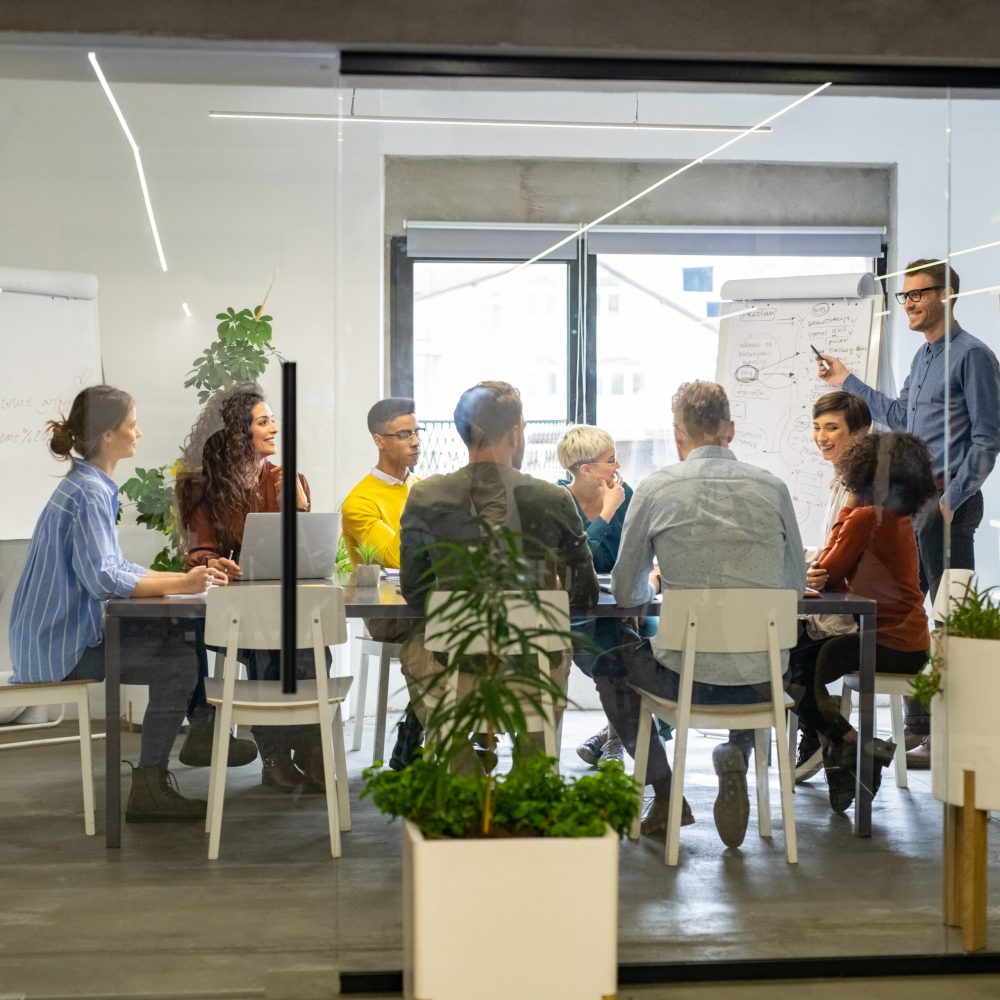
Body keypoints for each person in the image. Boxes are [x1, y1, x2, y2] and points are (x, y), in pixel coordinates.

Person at [8, 385, 229, 823]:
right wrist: (183, 582)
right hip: (61, 649)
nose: (139, 433)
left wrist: (188, 580)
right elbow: (104, 578)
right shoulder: (88, 493)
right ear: (107, 435)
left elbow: (116, 566)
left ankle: (167, 766)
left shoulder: (86, 485)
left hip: (52, 641)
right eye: (132, 425)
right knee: (180, 664)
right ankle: (151, 784)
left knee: (177, 651)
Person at [604, 381, 807, 849]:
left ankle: (665, 789)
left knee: (609, 665)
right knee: (750, 655)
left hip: (684, 681)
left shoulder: (655, 489)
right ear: (729, 431)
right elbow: (794, 586)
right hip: (764, 681)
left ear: (679, 435)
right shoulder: (773, 489)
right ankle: (735, 748)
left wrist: (656, 583)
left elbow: (624, 590)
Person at [815, 260, 1000, 768]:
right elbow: (896, 417)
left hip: (944, 504)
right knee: (908, 617)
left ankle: (953, 734)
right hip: (909, 505)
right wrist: (847, 379)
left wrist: (947, 502)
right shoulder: (921, 361)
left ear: (949, 295)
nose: (911, 304)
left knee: (950, 620)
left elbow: (987, 439)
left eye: (919, 294)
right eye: (906, 297)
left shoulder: (974, 357)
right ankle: (920, 728)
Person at [399, 380, 599, 767]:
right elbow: (584, 593)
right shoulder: (552, 498)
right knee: (554, 646)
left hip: (449, 664)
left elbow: (415, 589)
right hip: (532, 665)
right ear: (515, 433)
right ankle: (532, 768)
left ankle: (460, 764)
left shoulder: (426, 496)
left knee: (417, 647)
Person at [176, 383, 323, 793]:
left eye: (273, 419)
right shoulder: (201, 487)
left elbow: (305, 549)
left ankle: (310, 749)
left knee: (311, 641)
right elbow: (198, 550)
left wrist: (298, 499)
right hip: (232, 610)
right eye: (263, 422)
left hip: (280, 605)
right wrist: (213, 561)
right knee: (269, 645)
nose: (274, 428)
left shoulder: (284, 480)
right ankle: (277, 755)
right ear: (239, 434)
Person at [799, 431, 938, 813]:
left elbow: (826, 570)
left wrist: (846, 506)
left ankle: (854, 748)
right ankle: (850, 758)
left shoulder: (863, 517)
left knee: (793, 670)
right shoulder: (898, 518)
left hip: (884, 642)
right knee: (801, 659)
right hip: (911, 644)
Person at [791, 391, 872, 784]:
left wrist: (814, 568)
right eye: (817, 428)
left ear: (859, 433)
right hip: (838, 605)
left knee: (784, 659)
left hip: (863, 618)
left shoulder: (862, 486)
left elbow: (837, 557)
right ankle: (833, 737)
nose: (822, 437)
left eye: (832, 428)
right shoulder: (840, 480)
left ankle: (839, 737)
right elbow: (829, 552)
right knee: (778, 647)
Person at [556, 424, 648, 767]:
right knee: (618, 653)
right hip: (576, 611)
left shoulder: (627, 495)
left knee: (645, 646)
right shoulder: (558, 500)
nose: (618, 468)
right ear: (586, 469)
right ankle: (614, 738)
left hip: (623, 605)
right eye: (611, 461)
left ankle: (611, 736)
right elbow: (579, 562)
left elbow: (640, 554)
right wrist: (607, 512)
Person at [340, 397, 423, 769]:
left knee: (468, 631)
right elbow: (395, 557)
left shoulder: (421, 487)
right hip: (388, 613)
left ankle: (415, 731)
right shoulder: (359, 501)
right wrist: (424, 505)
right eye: (404, 434)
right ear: (379, 440)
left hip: (426, 602)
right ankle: (422, 736)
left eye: (416, 432)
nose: (415, 441)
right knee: (453, 634)